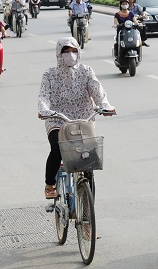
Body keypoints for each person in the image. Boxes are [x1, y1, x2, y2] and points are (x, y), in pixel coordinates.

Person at [37, 37, 115, 199]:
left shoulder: (86, 71)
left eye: (74, 51)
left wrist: (105, 106)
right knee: (58, 147)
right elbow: (44, 97)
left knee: (89, 158)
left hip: (83, 120)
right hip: (57, 119)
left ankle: (87, 211)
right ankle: (50, 184)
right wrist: (44, 109)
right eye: (66, 51)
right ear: (59, 53)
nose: (70, 55)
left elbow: (97, 91)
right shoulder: (50, 74)